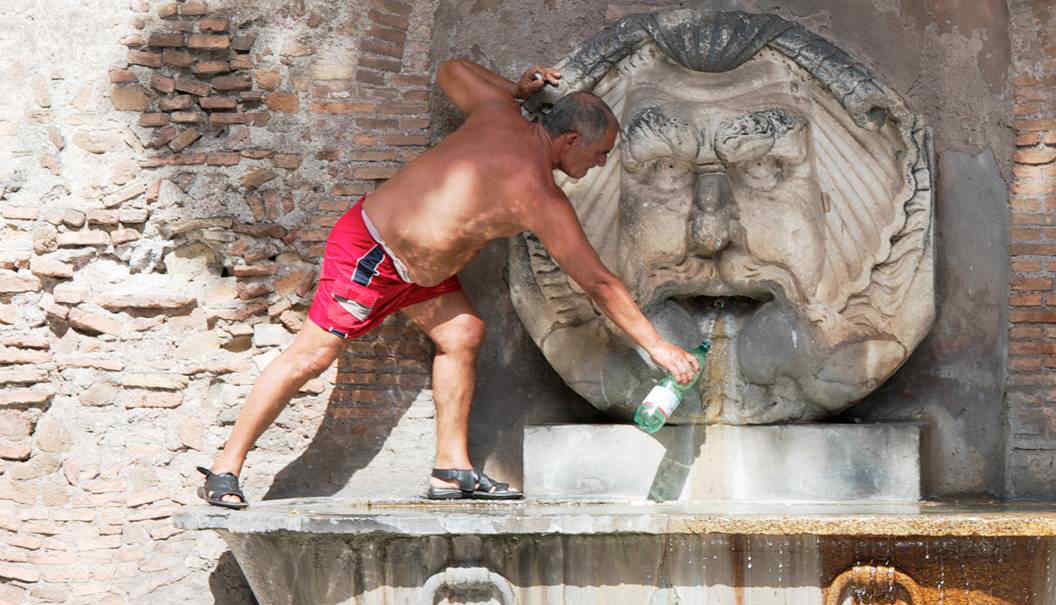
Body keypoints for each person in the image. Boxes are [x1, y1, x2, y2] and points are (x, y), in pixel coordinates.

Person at [196, 58, 700, 508]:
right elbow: (599, 282)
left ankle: (450, 468)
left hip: (422, 275)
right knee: (312, 356)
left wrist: (514, 90)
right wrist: (659, 348)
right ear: (570, 140)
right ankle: (225, 467)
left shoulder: (500, 111)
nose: (600, 163)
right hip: (372, 252)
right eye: (600, 152)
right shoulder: (538, 195)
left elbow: (453, 71)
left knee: (461, 334)